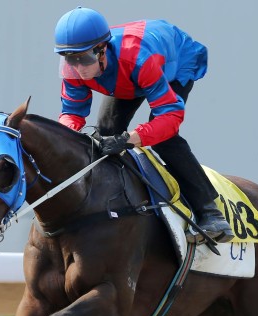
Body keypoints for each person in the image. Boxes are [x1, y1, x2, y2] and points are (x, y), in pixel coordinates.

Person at [54, 6, 234, 244]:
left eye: (84, 59)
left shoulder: (138, 60)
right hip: (128, 73)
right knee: (106, 132)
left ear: (101, 51)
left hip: (176, 61)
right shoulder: (76, 70)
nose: (79, 69)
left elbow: (170, 118)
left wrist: (130, 139)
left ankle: (209, 212)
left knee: (163, 137)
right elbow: (71, 115)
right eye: (70, 61)